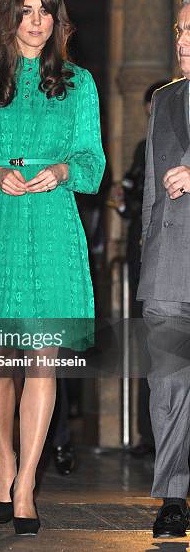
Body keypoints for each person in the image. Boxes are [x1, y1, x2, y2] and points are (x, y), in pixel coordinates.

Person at [0, 0, 105, 535]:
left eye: (45, 10)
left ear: (58, 18)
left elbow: (93, 163)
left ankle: (26, 483)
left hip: (53, 223)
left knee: (42, 359)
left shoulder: (79, 83)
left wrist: (62, 169)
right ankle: (5, 460)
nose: (36, 20)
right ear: (9, 17)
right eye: (26, 10)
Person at [137, 0, 190, 538]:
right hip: (171, 265)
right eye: (177, 30)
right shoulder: (168, 100)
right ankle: (173, 496)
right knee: (170, 386)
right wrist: (147, 262)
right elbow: (155, 188)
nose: (182, 41)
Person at [111, 81, 168, 458]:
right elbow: (134, 203)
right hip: (147, 252)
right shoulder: (142, 147)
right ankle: (150, 437)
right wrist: (121, 198)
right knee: (151, 344)